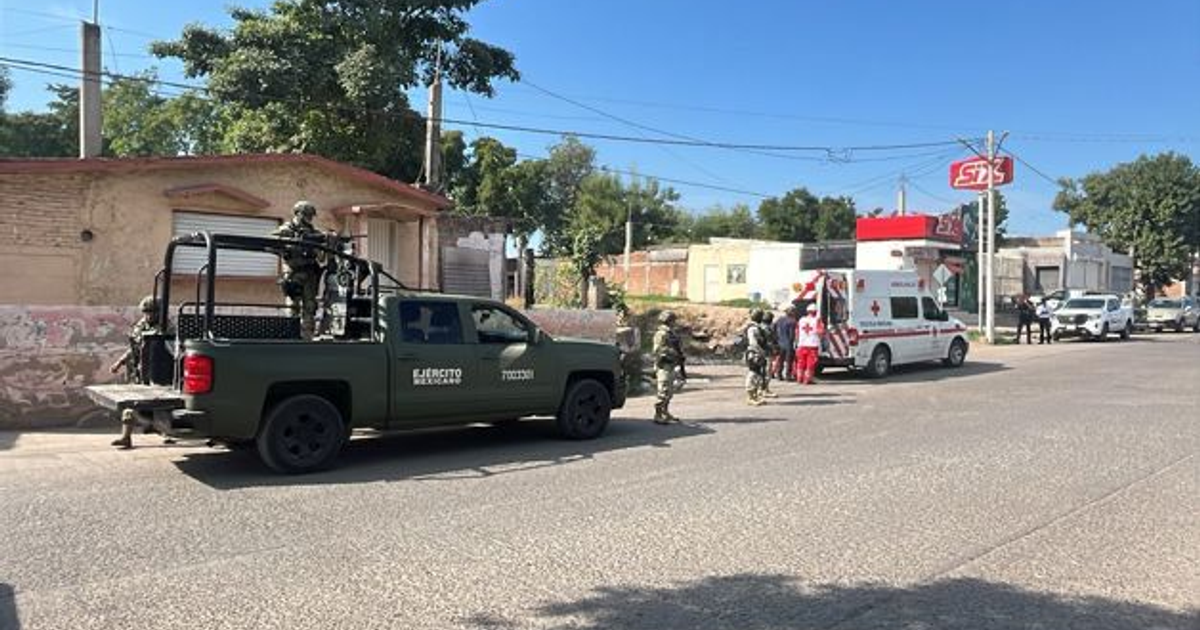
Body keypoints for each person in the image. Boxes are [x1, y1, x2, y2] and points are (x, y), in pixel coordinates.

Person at [107, 295, 160, 449]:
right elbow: (135, 348)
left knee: (157, 404)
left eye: (152, 312)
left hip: (158, 372)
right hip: (140, 371)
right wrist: (119, 363)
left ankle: (161, 429)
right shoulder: (142, 325)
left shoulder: (167, 327)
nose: (149, 315)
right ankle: (126, 437)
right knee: (132, 401)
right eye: (146, 312)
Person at [272, 200, 323, 340]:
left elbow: (322, 255)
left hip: (310, 274)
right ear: (298, 214)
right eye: (307, 214)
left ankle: (307, 338)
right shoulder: (287, 229)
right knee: (292, 307)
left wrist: (327, 241)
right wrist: (289, 246)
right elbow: (271, 242)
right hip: (293, 274)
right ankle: (291, 336)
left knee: (310, 307)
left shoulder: (314, 232)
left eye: (311, 215)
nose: (310, 218)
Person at [651, 310, 684, 424]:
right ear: (669, 320)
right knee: (663, 390)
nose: (674, 322)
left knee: (669, 391)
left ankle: (665, 411)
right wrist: (670, 353)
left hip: (671, 364)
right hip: (664, 365)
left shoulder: (671, 333)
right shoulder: (661, 333)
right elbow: (657, 350)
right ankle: (658, 414)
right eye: (673, 320)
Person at [744, 308, 769, 406]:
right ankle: (750, 397)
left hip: (757, 352)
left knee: (758, 374)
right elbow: (753, 343)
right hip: (754, 353)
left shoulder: (757, 327)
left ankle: (754, 395)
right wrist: (761, 352)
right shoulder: (752, 328)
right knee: (753, 373)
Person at [795, 303, 824, 385]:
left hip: (801, 344)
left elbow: (797, 332)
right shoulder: (817, 320)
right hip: (812, 345)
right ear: (815, 312)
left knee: (800, 362)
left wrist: (797, 342)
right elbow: (820, 332)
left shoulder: (801, 320)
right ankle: (807, 379)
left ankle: (799, 378)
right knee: (810, 364)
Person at [773, 306, 798, 382]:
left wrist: (776, 338)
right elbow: (792, 335)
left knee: (780, 360)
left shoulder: (779, 320)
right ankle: (788, 376)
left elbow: (774, 328)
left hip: (780, 342)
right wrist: (793, 343)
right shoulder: (792, 321)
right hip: (788, 344)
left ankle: (779, 375)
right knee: (789, 361)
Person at [760, 312, 780, 398]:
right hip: (767, 352)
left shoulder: (760, 327)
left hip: (761, 352)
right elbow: (771, 340)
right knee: (767, 371)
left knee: (763, 371)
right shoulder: (767, 328)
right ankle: (764, 390)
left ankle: (763, 389)